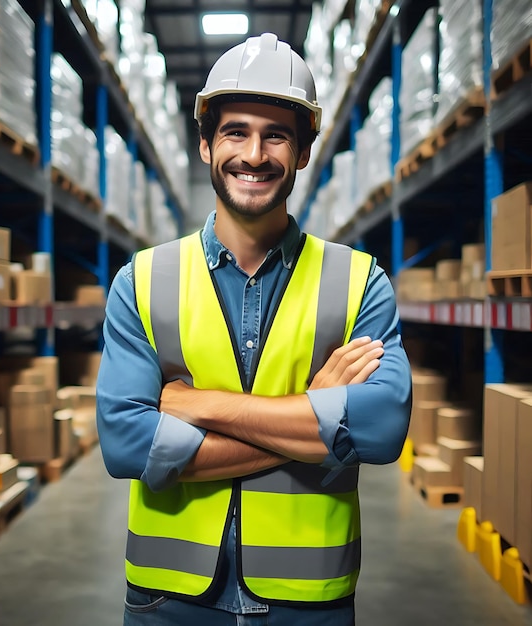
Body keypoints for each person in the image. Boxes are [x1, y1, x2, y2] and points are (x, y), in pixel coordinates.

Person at [96, 32, 412, 626]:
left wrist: (200, 404)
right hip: (170, 603)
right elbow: (125, 443)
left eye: (277, 135)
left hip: (308, 605)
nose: (255, 153)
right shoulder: (142, 279)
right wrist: (316, 416)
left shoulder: (359, 280)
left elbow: (381, 428)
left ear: (304, 151)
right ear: (206, 144)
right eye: (236, 131)